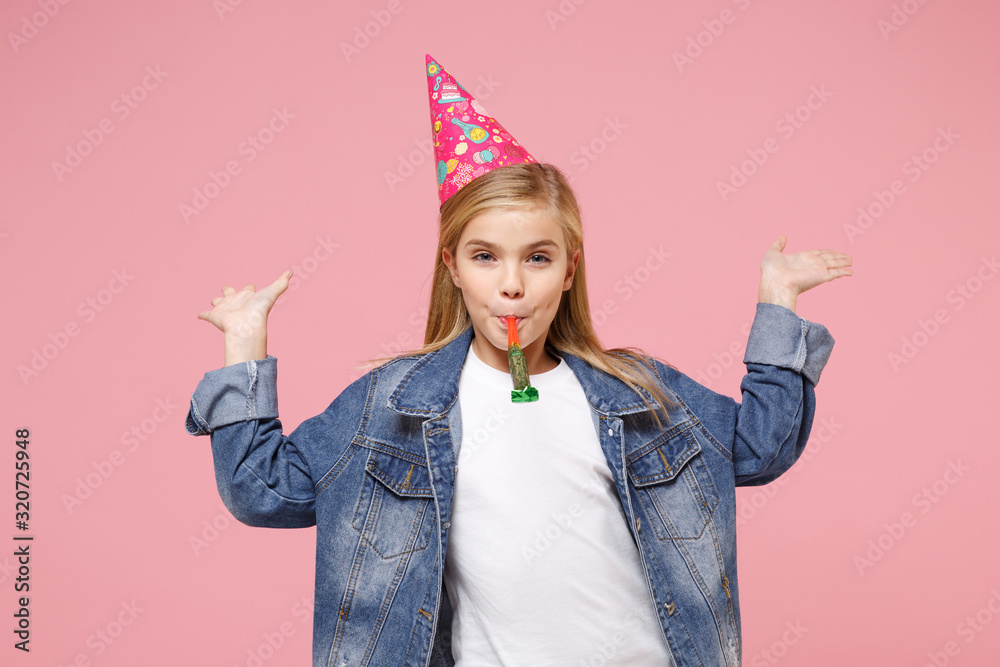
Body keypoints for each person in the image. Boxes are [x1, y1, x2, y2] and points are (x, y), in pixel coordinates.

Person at [185, 55, 853, 667]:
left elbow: (760, 447)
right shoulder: (389, 407)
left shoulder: (638, 392)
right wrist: (244, 345)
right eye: (485, 257)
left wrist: (778, 305)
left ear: (569, 270)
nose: (512, 284)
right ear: (452, 267)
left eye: (537, 256)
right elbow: (261, 490)